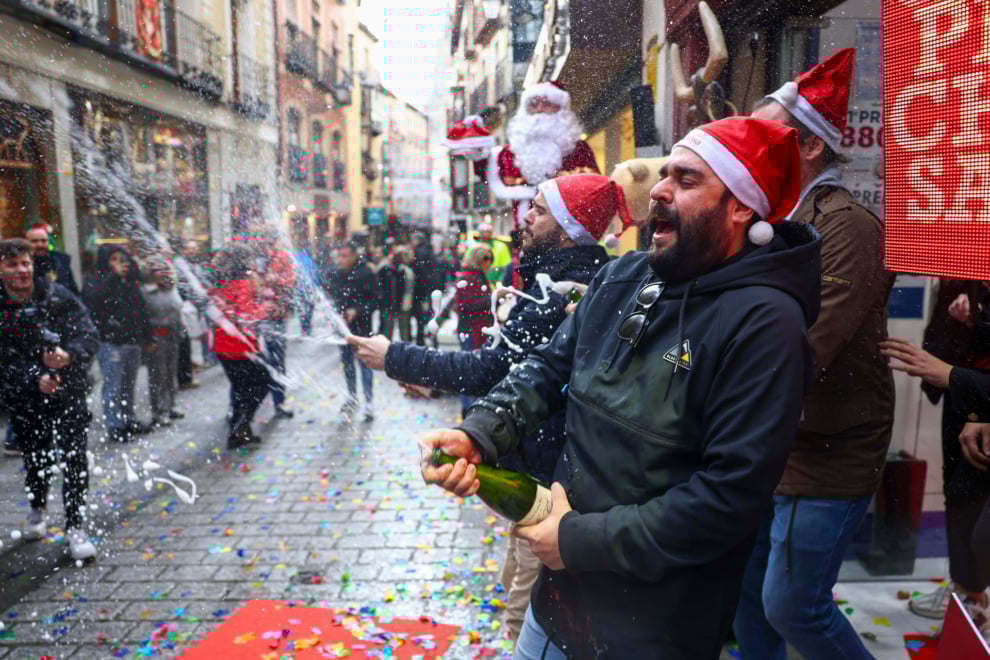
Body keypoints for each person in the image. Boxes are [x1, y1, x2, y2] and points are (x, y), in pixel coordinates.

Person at [419, 118, 821, 659]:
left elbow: (726, 498)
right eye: (664, 176)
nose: (658, 189)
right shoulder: (622, 276)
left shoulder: (767, 324)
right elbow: (545, 370)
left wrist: (577, 541)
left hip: (653, 631)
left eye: (686, 179)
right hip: (557, 604)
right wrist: (480, 432)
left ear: (740, 207)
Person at [348, 173, 619, 641]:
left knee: (526, 615)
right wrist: (433, 388)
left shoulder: (565, 293)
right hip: (537, 473)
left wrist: (393, 356)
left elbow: (491, 370)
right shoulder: (557, 283)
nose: (525, 217)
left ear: (569, 225)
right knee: (514, 586)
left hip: (552, 486)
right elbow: (513, 371)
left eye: (538, 209)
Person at [734, 49, 896, 660]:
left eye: (766, 137)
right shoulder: (769, 219)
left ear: (809, 148)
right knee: (748, 595)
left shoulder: (847, 226)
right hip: (769, 444)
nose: (751, 151)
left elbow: (809, 344)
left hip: (830, 450)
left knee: (790, 605)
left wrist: (707, 382)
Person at [880, 283, 990, 634]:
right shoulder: (961, 265)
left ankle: (972, 596)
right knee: (958, 496)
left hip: (969, 385)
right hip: (963, 399)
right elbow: (939, 332)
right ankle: (966, 594)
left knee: (979, 526)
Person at [0, 238, 98, 560]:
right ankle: (38, 508)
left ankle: (75, 525)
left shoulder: (58, 296)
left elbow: (88, 334)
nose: (20, 271)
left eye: (25, 263)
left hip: (68, 393)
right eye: (12, 264)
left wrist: (68, 356)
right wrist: (33, 377)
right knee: (36, 458)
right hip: (26, 400)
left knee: (74, 458)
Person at [83, 245, 153, 443]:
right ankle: (114, 424)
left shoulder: (129, 282)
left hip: (132, 340)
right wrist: (113, 276)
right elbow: (94, 300)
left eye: (121, 259)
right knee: (112, 386)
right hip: (110, 342)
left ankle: (128, 419)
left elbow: (141, 309)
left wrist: (147, 337)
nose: (118, 264)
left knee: (128, 385)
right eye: (113, 259)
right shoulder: (96, 279)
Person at [211, 245, 271, 449]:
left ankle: (239, 431)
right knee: (262, 383)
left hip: (223, 345)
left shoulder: (220, 282)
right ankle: (241, 426)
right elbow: (247, 316)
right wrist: (264, 309)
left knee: (240, 388)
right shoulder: (244, 284)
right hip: (240, 346)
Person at [324, 241, 377, 422]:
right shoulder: (335, 274)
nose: (341, 260)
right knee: (347, 364)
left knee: (365, 365)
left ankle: (369, 401)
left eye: (345, 256)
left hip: (362, 328)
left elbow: (376, 300)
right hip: (343, 330)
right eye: (339, 256)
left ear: (354, 255)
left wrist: (357, 311)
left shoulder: (365, 273)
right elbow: (331, 298)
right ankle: (352, 396)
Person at [142, 259, 185, 428]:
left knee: (171, 373)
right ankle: (158, 411)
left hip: (172, 335)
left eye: (163, 270)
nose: (160, 273)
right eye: (156, 270)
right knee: (157, 376)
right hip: (156, 336)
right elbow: (143, 317)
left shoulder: (172, 290)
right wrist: (147, 339)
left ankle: (171, 406)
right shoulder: (146, 292)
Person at [452, 244, 494, 414]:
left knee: (471, 368)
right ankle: (468, 408)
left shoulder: (477, 276)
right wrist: (491, 300)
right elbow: (463, 306)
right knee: (469, 369)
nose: (489, 263)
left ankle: (470, 407)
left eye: (490, 259)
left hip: (476, 329)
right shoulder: (470, 277)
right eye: (486, 259)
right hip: (470, 330)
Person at [259, 233, 297, 419]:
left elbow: (291, 281)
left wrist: (275, 281)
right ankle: (237, 407)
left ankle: (279, 402)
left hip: (275, 317)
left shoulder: (281, 258)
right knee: (248, 365)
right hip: (254, 318)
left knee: (277, 360)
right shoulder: (253, 259)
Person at [26, 223, 79, 296]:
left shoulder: (61, 263)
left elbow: (73, 291)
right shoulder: (24, 266)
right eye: (35, 241)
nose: (40, 244)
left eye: (43, 241)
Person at [476, 223, 511, 287]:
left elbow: (507, 266)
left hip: (497, 282)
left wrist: (500, 279)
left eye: (487, 232)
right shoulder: (474, 246)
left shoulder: (501, 246)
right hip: (479, 282)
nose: (485, 234)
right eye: (483, 232)